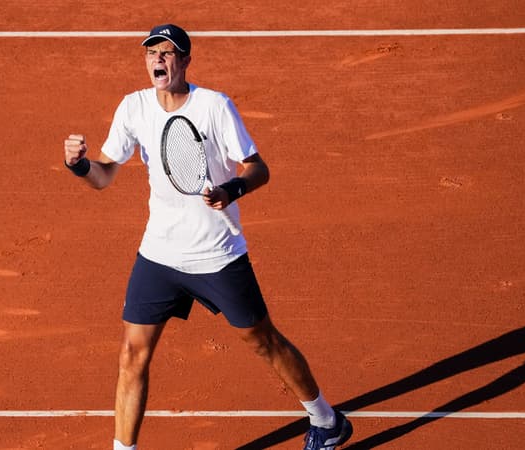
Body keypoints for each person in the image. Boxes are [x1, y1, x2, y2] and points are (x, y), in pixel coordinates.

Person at [62, 23, 353, 450]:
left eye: (167, 52)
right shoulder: (133, 107)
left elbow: (258, 168)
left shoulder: (214, 106)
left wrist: (231, 190)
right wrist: (80, 167)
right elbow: (104, 176)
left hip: (217, 254)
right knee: (131, 355)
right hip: (159, 255)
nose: (158, 59)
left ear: (185, 61)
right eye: (151, 53)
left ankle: (326, 420)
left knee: (262, 341)